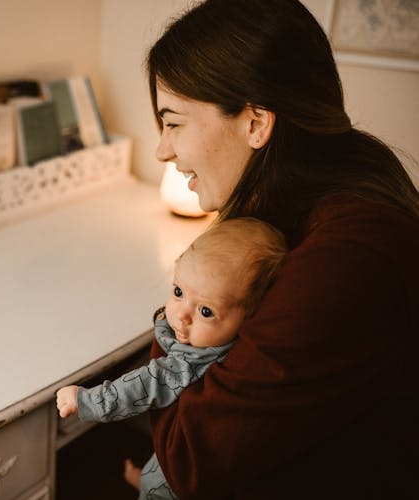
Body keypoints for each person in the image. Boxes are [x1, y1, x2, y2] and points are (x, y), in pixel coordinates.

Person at [139, 0, 419, 497]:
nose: (163, 149)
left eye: (174, 122)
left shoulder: (346, 258)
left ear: (255, 122)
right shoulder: (320, 200)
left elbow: (190, 458)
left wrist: (177, 312)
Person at [56, 217, 287, 500]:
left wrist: (86, 401)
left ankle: (149, 488)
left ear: (250, 317)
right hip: (196, 456)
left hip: (182, 484)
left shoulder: (191, 362)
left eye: (206, 311)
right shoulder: (230, 344)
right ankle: (147, 479)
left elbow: (142, 387)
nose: (181, 314)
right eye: (178, 292)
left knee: (163, 483)